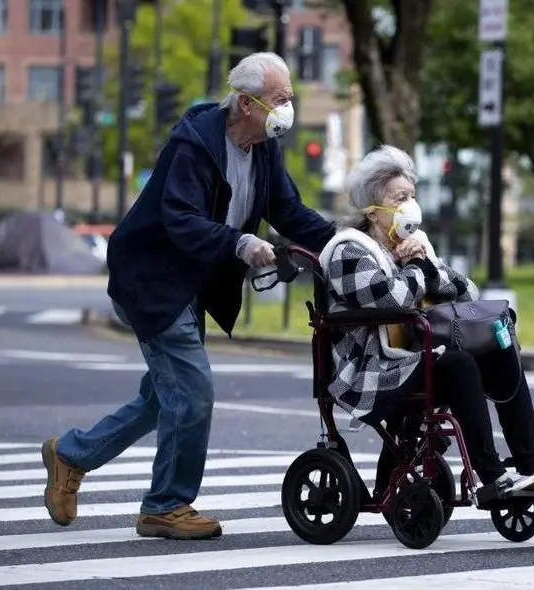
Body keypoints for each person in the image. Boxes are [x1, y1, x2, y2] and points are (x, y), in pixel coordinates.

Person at [40, 53, 336, 540]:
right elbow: (181, 220)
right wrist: (240, 243)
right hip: (152, 281)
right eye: (280, 98)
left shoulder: (264, 149)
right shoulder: (194, 145)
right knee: (193, 392)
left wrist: (346, 240)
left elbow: (288, 211)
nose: (288, 108)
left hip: (187, 284)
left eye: (290, 98)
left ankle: (71, 455)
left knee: (164, 398)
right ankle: (166, 505)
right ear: (246, 103)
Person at [319, 145, 534, 500]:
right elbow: (390, 299)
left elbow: (467, 291)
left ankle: (532, 469)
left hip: (416, 356)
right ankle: (493, 478)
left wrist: (424, 265)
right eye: (400, 198)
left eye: (412, 196)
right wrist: (418, 269)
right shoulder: (349, 250)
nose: (410, 205)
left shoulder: (415, 245)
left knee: (500, 348)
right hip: (374, 370)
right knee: (459, 364)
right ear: (373, 211)